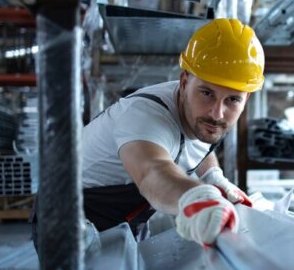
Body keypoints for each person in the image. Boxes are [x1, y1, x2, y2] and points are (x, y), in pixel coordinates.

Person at [80, 18, 264, 246]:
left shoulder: (201, 117)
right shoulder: (144, 117)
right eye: (206, 93)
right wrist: (197, 196)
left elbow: (201, 144)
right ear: (185, 81)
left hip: (125, 220)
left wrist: (213, 176)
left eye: (233, 99)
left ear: (247, 98)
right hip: (74, 221)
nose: (217, 113)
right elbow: (152, 172)